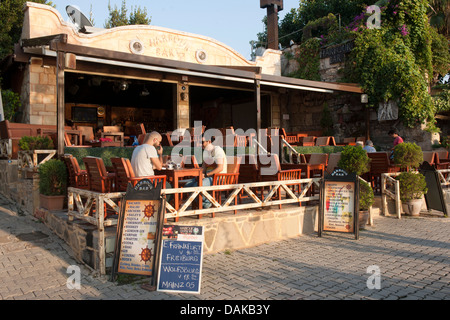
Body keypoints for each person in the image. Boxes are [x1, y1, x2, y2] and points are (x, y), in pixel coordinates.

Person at [185, 136, 227, 209]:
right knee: (187, 186)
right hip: (208, 177)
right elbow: (204, 168)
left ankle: (207, 202)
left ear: (209, 142)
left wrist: (206, 175)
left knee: (197, 186)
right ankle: (206, 203)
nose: (200, 144)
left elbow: (220, 168)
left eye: (202, 142)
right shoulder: (205, 152)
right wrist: (200, 175)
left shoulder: (217, 150)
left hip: (218, 177)